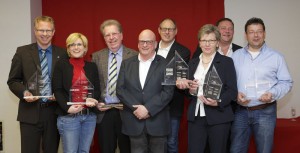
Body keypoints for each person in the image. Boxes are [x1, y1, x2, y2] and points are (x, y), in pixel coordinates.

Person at [230, 17, 293, 153]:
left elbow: (286, 82)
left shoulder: (276, 57)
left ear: (264, 33)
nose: (256, 35)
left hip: (266, 112)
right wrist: (235, 94)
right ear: (246, 35)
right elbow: (229, 83)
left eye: (259, 31)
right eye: (251, 32)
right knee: (236, 150)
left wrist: (273, 93)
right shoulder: (235, 56)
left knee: (265, 150)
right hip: (240, 112)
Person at [7, 16, 68, 153]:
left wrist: (59, 95)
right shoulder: (22, 52)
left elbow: (67, 83)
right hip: (29, 112)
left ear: (53, 32)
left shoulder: (63, 54)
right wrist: (24, 92)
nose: (45, 34)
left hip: (54, 112)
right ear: (35, 31)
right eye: (41, 30)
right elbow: (13, 81)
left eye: (48, 30)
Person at [179, 24, 237, 153]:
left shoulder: (226, 62)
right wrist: (190, 91)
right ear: (199, 43)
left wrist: (219, 101)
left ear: (217, 43)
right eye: (204, 40)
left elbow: (232, 91)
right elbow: (188, 93)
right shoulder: (192, 63)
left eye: (211, 40)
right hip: (196, 117)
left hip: (219, 117)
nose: (207, 44)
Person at [117, 29, 174, 153]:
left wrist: (148, 108)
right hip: (134, 120)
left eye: (149, 42)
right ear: (137, 44)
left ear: (155, 44)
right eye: (142, 42)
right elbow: (120, 90)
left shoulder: (167, 64)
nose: (145, 45)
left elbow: (168, 92)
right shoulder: (126, 64)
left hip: (157, 121)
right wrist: (137, 109)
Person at [92, 19, 137, 153]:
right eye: (107, 35)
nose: (111, 38)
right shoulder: (96, 56)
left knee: (127, 149)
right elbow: (94, 84)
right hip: (104, 112)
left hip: (127, 111)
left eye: (114, 33)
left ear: (121, 35)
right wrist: (96, 103)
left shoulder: (134, 55)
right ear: (104, 38)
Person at [52, 33, 100, 153]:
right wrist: (68, 108)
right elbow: (57, 90)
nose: (76, 47)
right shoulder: (61, 65)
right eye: (72, 45)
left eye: (79, 44)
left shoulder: (92, 66)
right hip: (69, 117)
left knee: (84, 151)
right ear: (68, 48)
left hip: (89, 116)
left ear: (85, 48)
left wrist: (92, 99)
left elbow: (97, 89)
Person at [156, 18, 190, 153]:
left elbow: (179, 76)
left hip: (172, 104)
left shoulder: (183, 51)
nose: (167, 32)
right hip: (150, 103)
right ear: (159, 30)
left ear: (176, 31)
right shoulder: (149, 47)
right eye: (164, 29)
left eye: (170, 29)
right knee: (153, 141)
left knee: (171, 142)